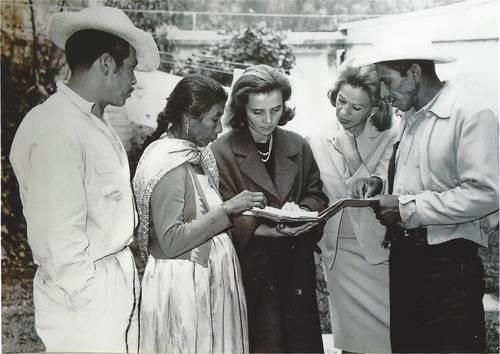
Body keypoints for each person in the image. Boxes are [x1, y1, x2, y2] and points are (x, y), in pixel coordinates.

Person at [8, 6, 159, 353]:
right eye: (131, 70)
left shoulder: (93, 122)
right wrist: (86, 297)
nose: (134, 82)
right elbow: (58, 238)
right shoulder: (55, 126)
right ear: (106, 64)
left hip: (111, 281)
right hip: (85, 295)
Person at [354, 39, 499, 352]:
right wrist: (382, 183)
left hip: (449, 267)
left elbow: (488, 193)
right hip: (406, 260)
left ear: (415, 73)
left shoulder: (470, 113)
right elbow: (421, 177)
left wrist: (408, 207)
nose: (382, 94)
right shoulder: (411, 117)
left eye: (386, 81)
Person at [133, 75, 266, 354]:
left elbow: (205, 219)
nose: (218, 130)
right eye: (213, 119)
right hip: (185, 289)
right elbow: (171, 241)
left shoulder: (195, 155)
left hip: (207, 282)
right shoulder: (167, 163)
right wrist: (228, 208)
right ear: (187, 117)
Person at [211, 64, 328, 353]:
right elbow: (219, 208)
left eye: (275, 110)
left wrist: (303, 211)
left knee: (300, 343)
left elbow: (316, 193)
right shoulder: (221, 150)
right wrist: (268, 229)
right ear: (241, 109)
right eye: (257, 112)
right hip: (252, 265)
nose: (268, 120)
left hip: (295, 263)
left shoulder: (297, 144)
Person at [308, 61, 396, 353]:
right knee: (352, 343)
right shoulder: (316, 137)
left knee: (390, 339)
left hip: (381, 252)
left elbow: (379, 194)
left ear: (375, 108)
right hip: (339, 255)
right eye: (341, 101)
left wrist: (352, 156)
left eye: (356, 108)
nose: (344, 112)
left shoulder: (392, 137)